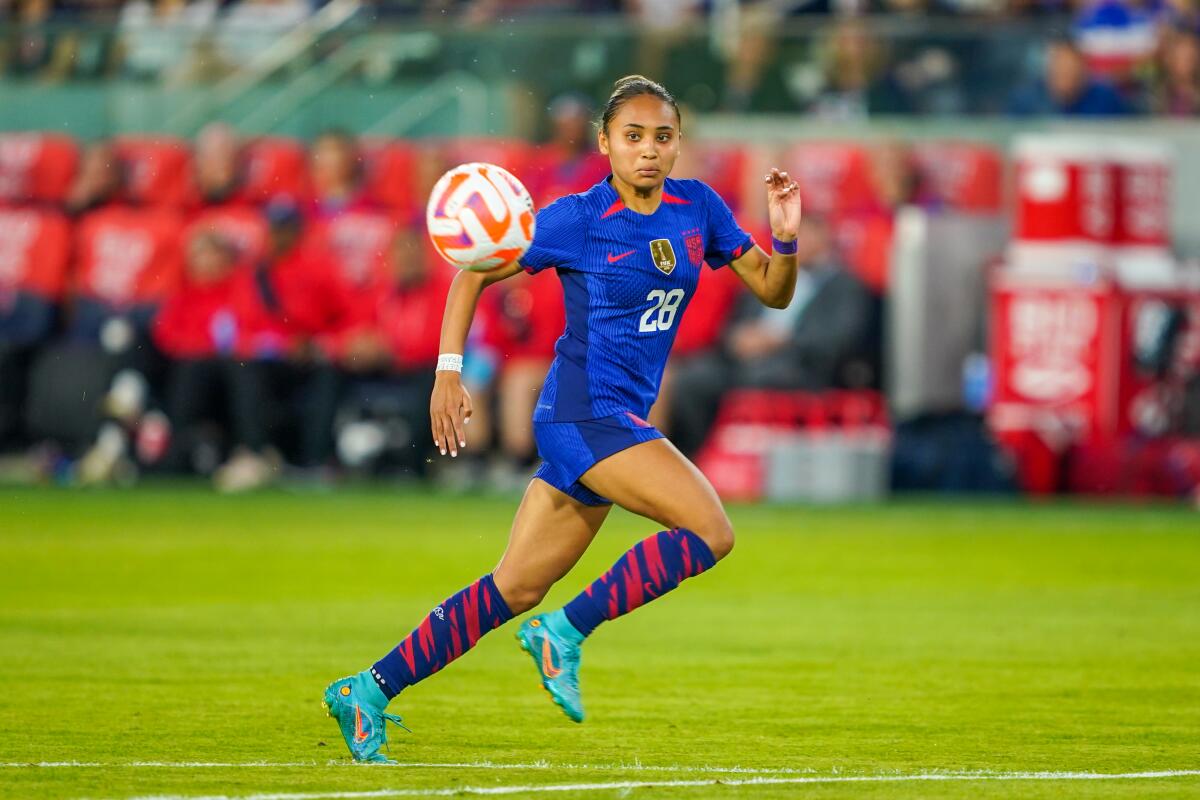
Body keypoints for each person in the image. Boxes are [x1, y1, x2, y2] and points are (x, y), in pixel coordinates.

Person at [322, 75, 802, 763]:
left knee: (512, 586)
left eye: (662, 137)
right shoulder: (578, 218)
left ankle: (366, 691)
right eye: (633, 137)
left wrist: (785, 241)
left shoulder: (699, 208)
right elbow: (473, 272)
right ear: (605, 143)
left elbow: (773, 294)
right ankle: (566, 632)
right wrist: (448, 372)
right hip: (581, 415)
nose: (649, 151)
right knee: (710, 530)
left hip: (611, 421)